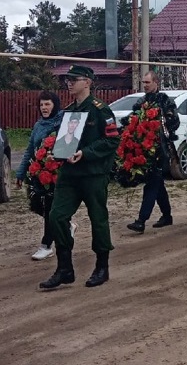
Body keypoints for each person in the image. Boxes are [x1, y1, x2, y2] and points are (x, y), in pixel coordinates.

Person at [40, 64, 120, 290]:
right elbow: (65, 139)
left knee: (98, 219)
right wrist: (56, 152)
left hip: (93, 174)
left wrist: (85, 153)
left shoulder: (100, 110)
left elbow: (112, 140)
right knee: (56, 216)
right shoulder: (68, 111)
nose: (69, 83)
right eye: (68, 79)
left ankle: (102, 267)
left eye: (74, 79)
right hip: (69, 174)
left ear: (88, 82)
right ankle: (65, 268)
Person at [126, 71, 180, 234]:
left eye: (148, 82)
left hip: (161, 149)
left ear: (156, 82)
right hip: (144, 148)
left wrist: (163, 126)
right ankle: (167, 216)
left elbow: (174, 122)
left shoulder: (164, 100)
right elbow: (133, 120)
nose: (145, 85)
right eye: (144, 82)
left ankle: (141, 221)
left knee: (152, 183)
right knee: (157, 184)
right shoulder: (141, 102)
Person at [16, 91, 63, 261]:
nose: (44, 108)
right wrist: (21, 173)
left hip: (58, 173)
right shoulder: (38, 125)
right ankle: (65, 224)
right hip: (40, 174)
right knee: (41, 207)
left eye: (47, 104)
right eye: (42, 104)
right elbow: (30, 150)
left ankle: (46, 245)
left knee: (50, 208)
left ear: (55, 105)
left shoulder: (62, 122)